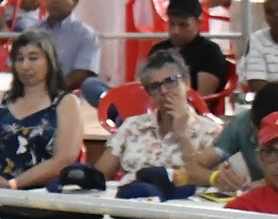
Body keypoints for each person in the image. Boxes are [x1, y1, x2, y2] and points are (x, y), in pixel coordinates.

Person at [0, 30, 90, 191]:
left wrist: (13, 184)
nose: (25, 66)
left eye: (33, 58)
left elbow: (63, 159)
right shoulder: (0, 102)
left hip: (38, 193)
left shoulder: (66, 103)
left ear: (50, 61)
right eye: (19, 59)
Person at [94, 50, 221, 183]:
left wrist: (182, 135)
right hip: (132, 197)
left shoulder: (210, 132)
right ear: (148, 94)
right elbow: (100, 175)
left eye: (171, 81)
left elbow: (215, 182)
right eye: (155, 87)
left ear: (187, 83)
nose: (164, 91)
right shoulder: (132, 127)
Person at [35, 0, 108, 105]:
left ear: (74, 2)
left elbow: (82, 74)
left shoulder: (86, 35)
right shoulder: (33, 31)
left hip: (64, 98)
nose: (55, 0)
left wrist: (49, 93)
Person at [146, 0, 230, 97]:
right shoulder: (159, 50)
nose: (176, 31)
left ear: (198, 23)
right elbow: (142, 84)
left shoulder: (209, 53)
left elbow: (201, 99)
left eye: (183, 25)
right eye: (171, 24)